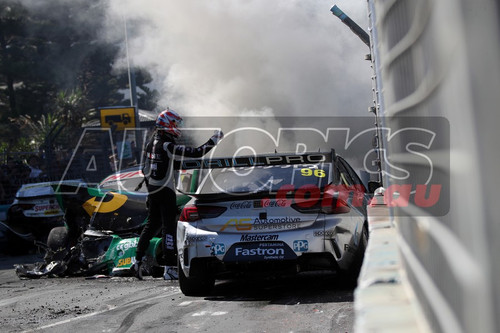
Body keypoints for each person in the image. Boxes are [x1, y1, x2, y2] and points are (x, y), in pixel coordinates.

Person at [133, 109, 223, 280]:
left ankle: (137, 261)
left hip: (153, 190)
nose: (177, 127)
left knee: (151, 225)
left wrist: (150, 189)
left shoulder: (150, 141)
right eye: (175, 123)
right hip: (165, 191)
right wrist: (214, 140)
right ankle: (169, 268)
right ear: (167, 124)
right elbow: (197, 152)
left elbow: (143, 169)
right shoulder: (167, 145)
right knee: (169, 227)